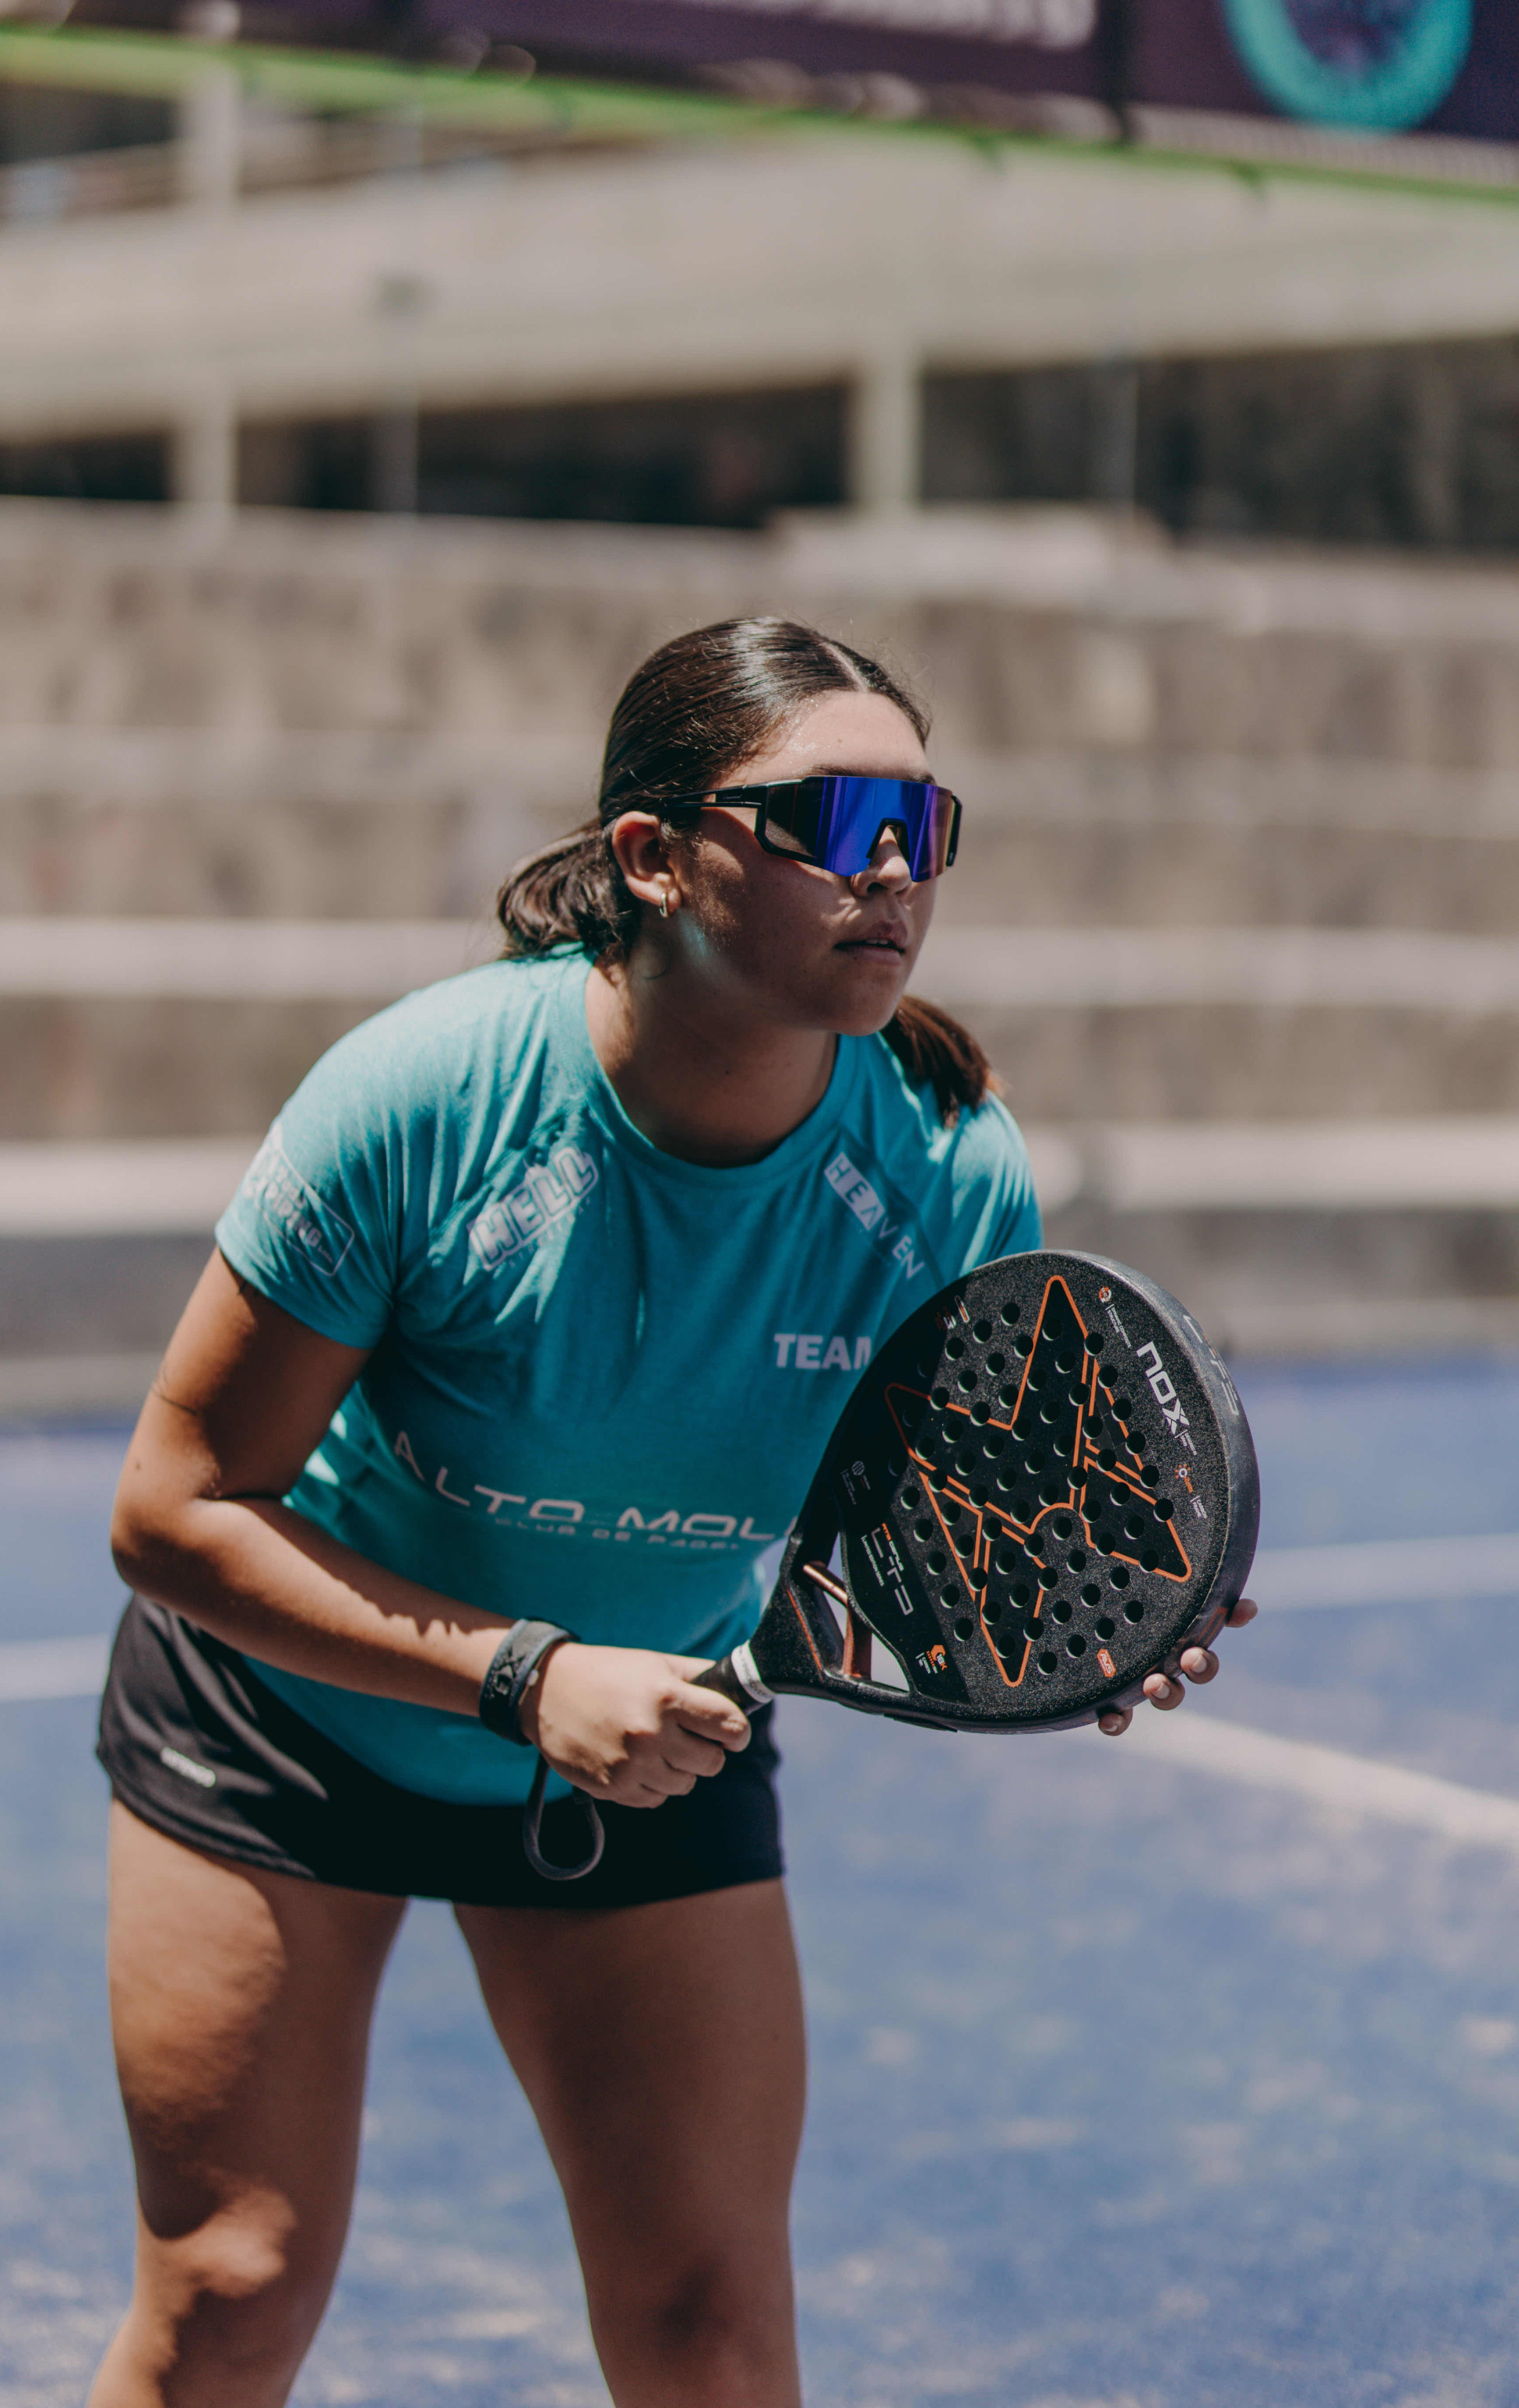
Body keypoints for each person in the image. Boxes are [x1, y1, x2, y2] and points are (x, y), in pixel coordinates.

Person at [89, 616, 1253, 2408]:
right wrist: (524, 1676)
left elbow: (979, 1529)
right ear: (651, 853)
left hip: (652, 1738)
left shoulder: (946, 1173)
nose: (891, 867)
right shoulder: (426, 1101)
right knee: (232, 2293)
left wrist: (1095, 1612)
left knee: (709, 2325)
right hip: (289, 1725)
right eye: (835, 818)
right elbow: (173, 1511)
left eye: (924, 824)